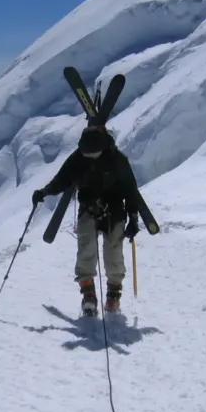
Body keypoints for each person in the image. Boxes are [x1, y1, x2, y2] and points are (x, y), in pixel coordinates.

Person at [32, 125, 141, 315]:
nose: (90, 157)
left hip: (114, 209)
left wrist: (133, 218)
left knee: (114, 253)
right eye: (87, 154)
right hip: (88, 208)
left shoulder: (117, 160)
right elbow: (62, 179)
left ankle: (113, 295)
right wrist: (44, 192)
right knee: (85, 250)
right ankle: (88, 295)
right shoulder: (77, 158)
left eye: (94, 154)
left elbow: (131, 191)